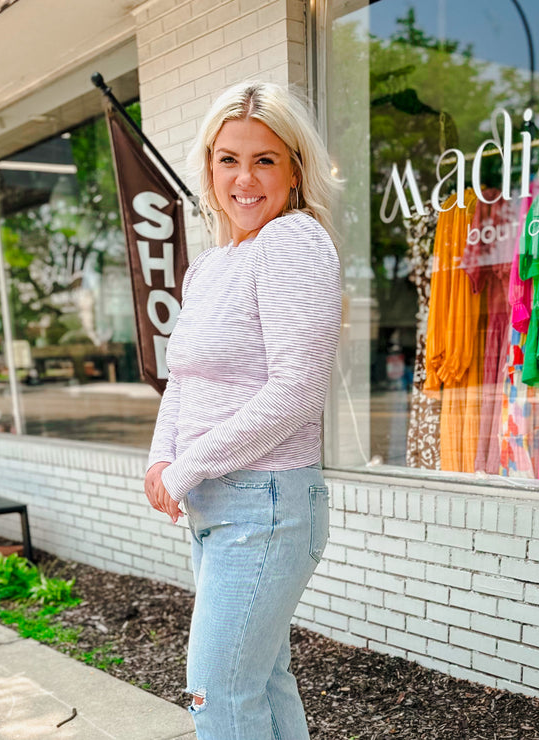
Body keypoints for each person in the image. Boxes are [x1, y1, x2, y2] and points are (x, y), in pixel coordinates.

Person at [143, 81, 342, 740]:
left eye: (265, 159)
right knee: (259, 681)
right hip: (221, 505)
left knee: (219, 694)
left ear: (294, 168)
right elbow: (184, 380)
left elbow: (296, 390)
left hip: (267, 504)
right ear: (207, 166)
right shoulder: (212, 266)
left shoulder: (292, 242)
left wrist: (185, 469)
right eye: (228, 159)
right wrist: (161, 458)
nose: (245, 177)